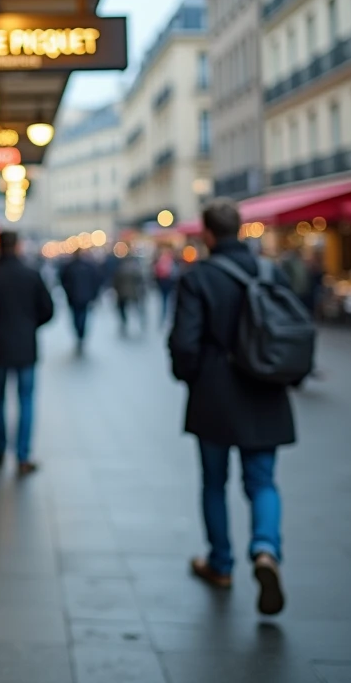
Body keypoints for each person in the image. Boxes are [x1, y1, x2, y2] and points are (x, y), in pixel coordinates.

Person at [168, 198, 294, 616]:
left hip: (216, 391)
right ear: (239, 229)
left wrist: (191, 375)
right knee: (262, 481)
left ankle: (220, 564)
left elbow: (185, 342)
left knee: (214, 482)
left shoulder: (198, 276)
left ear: (206, 233)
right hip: (265, 387)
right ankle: (265, 549)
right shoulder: (268, 270)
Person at [0, 231, 54, 474]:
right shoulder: (31, 274)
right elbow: (48, 310)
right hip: (25, 347)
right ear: (17, 246)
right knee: (26, 400)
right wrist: (29, 325)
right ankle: (22, 455)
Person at [59, 248, 102, 354]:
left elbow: (63, 280)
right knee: (82, 316)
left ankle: (80, 334)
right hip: (82, 297)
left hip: (75, 297)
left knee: (77, 317)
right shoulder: (87, 266)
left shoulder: (70, 266)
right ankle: (80, 334)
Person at [112, 253, 148, 337]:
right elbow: (142, 282)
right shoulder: (136, 269)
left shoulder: (121, 268)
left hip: (123, 293)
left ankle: (124, 322)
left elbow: (116, 282)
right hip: (134, 293)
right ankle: (141, 322)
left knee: (123, 309)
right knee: (137, 309)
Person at [154, 246, 179, 325]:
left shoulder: (162, 260)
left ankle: (164, 315)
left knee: (165, 299)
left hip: (163, 282)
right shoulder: (171, 261)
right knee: (168, 299)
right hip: (168, 282)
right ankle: (167, 315)